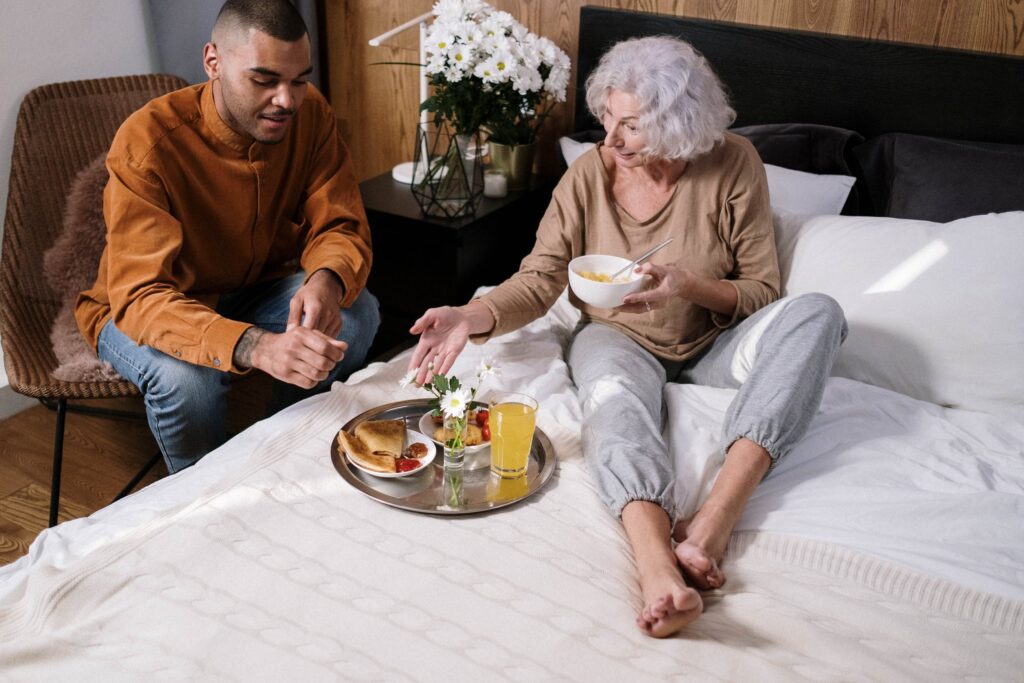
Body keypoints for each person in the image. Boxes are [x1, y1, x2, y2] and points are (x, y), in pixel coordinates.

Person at [406, 36, 847, 638]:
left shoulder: (734, 162)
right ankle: (659, 567)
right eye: (607, 120)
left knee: (819, 313)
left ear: (679, 123)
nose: (610, 140)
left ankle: (714, 521)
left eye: (632, 127)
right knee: (612, 403)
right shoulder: (589, 174)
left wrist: (686, 285)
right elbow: (539, 279)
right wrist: (471, 315)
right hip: (617, 336)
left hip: (717, 343)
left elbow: (761, 291)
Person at [76, 0, 379, 474]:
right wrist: (257, 346)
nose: (287, 100)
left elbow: (339, 223)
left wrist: (325, 278)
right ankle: (204, 498)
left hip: (256, 285)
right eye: (264, 80)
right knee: (187, 380)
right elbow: (141, 296)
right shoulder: (147, 142)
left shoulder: (311, 115)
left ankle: (278, 452)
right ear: (212, 62)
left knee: (355, 313)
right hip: (144, 307)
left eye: (299, 80)